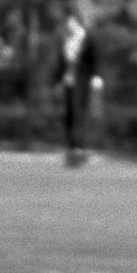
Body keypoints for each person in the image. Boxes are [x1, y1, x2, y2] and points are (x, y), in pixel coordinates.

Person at [58, 15, 100, 166]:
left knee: (78, 112)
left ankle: (79, 147)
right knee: (70, 113)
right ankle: (72, 147)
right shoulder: (66, 39)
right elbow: (62, 60)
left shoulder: (87, 38)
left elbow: (95, 58)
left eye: (71, 22)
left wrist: (96, 76)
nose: (69, 25)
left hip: (83, 80)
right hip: (69, 81)